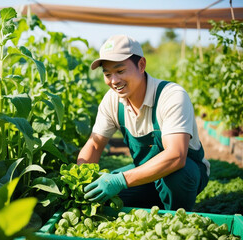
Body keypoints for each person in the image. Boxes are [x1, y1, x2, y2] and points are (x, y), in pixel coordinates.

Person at [77, 35, 210, 211]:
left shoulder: (171, 95)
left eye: (120, 71)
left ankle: (177, 217)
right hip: (146, 173)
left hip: (185, 172)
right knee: (102, 196)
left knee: (176, 176)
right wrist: (80, 181)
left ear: (141, 65)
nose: (114, 80)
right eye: (107, 74)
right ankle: (154, 203)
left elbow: (176, 156)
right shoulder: (112, 100)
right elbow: (94, 144)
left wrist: (121, 180)